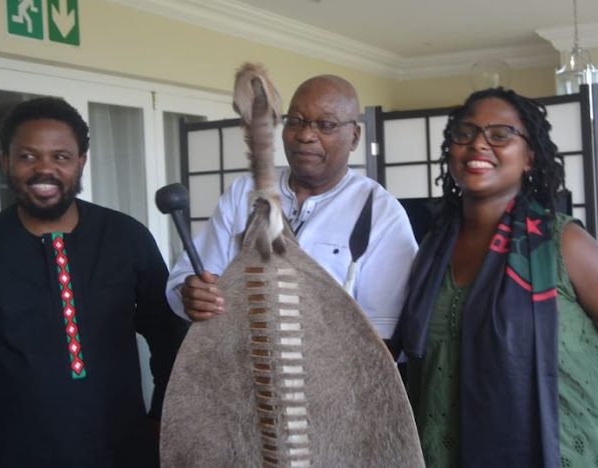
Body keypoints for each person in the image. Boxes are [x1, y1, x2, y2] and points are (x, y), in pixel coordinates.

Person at [393, 88, 598, 467]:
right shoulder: (431, 251)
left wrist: (578, 392)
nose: (479, 143)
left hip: (562, 452)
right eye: (465, 132)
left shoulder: (563, 243)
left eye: (500, 135)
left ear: (529, 158)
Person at [0, 97, 187, 468]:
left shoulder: (126, 237)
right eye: (28, 156)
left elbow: (168, 334)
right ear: (6, 161)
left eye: (61, 157)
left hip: (129, 455)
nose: (44, 169)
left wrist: (164, 415)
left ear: (81, 162)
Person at [166, 75, 418, 342]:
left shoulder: (378, 211)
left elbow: (385, 332)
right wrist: (192, 294)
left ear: (354, 137)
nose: (306, 135)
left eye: (326, 125)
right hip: (241, 367)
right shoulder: (246, 192)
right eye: (295, 121)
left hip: (333, 375)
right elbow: (188, 277)